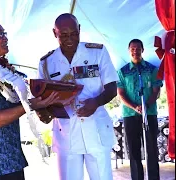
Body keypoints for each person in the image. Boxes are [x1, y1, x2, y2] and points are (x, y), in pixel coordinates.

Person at [0, 19, 60, 180]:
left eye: (4, 34)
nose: (5, 38)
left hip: (10, 161)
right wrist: (29, 105)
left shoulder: (3, 69)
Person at [36, 13, 119, 180]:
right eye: (64, 35)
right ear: (55, 33)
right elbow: (42, 99)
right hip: (66, 134)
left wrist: (96, 102)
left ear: (79, 29)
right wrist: (43, 111)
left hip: (95, 129)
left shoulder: (97, 52)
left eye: (74, 34)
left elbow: (112, 88)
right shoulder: (46, 62)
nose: (70, 39)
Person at [116, 39, 163, 180]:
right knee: (134, 152)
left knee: (152, 150)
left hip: (149, 113)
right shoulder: (122, 71)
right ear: (129, 50)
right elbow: (121, 94)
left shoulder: (152, 69)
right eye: (132, 49)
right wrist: (135, 107)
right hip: (130, 115)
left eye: (138, 48)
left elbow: (156, 91)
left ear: (142, 50)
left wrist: (146, 105)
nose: (135, 51)